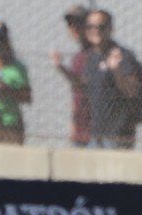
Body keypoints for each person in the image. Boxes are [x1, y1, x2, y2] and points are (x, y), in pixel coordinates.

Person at [83, 9, 142, 150]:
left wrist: (116, 70)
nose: (95, 31)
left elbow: (131, 90)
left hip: (118, 135)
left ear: (110, 29)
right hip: (96, 135)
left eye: (101, 27)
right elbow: (85, 86)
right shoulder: (91, 57)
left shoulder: (121, 55)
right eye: (90, 27)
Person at [49, 6, 92, 148]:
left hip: (96, 132)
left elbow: (86, 84)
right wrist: (73, 124)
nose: (74, 28)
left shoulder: (96, 55)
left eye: (78, 23)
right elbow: (77, 91)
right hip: (80, 130)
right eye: (70, 24)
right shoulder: (78, 57)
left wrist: (61, 68)